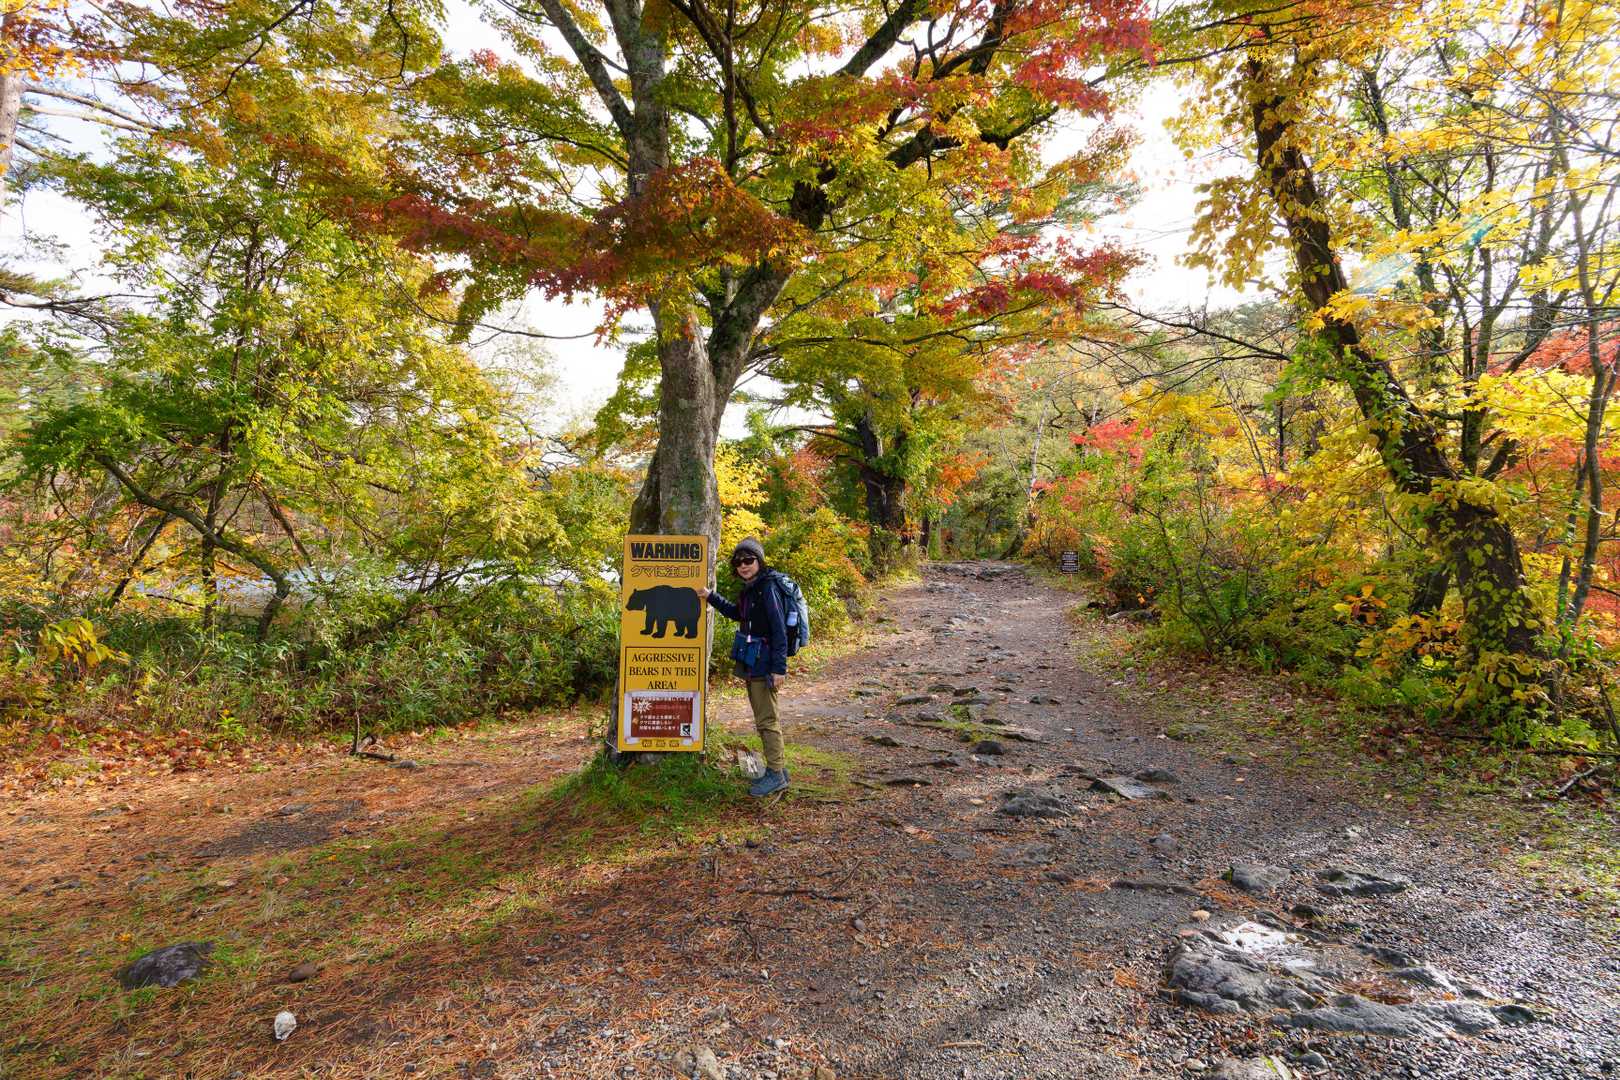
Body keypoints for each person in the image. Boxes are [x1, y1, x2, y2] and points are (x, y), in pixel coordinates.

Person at [697, 537, 790, 796]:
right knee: (766, 718)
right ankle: (779, 769)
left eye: (749, 560)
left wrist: (779, 668)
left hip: (764, 665)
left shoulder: (767, 588)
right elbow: (738, 614)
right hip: (753, 662)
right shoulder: (751, 589)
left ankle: (775, 774)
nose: (743, 566)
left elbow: (779, 630)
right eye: (738, 562)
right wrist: (710, 596)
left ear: (759, 561)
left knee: (767, 720)